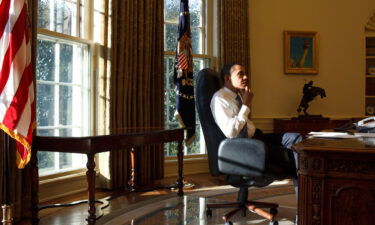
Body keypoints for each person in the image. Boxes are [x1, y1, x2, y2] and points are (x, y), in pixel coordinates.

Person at [210, 63, 302, 212]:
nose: (246, 77)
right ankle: (304, 209)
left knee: (296, 139)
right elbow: (231, 132)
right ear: (227, 78)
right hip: (244, 148)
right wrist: (246, 105)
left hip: (256, 138)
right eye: (240, 74)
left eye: (245, 73)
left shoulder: (237, 95)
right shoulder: (220, 99)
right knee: (295, 159)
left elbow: (245, 125)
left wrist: (244, 102)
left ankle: (305, 198)